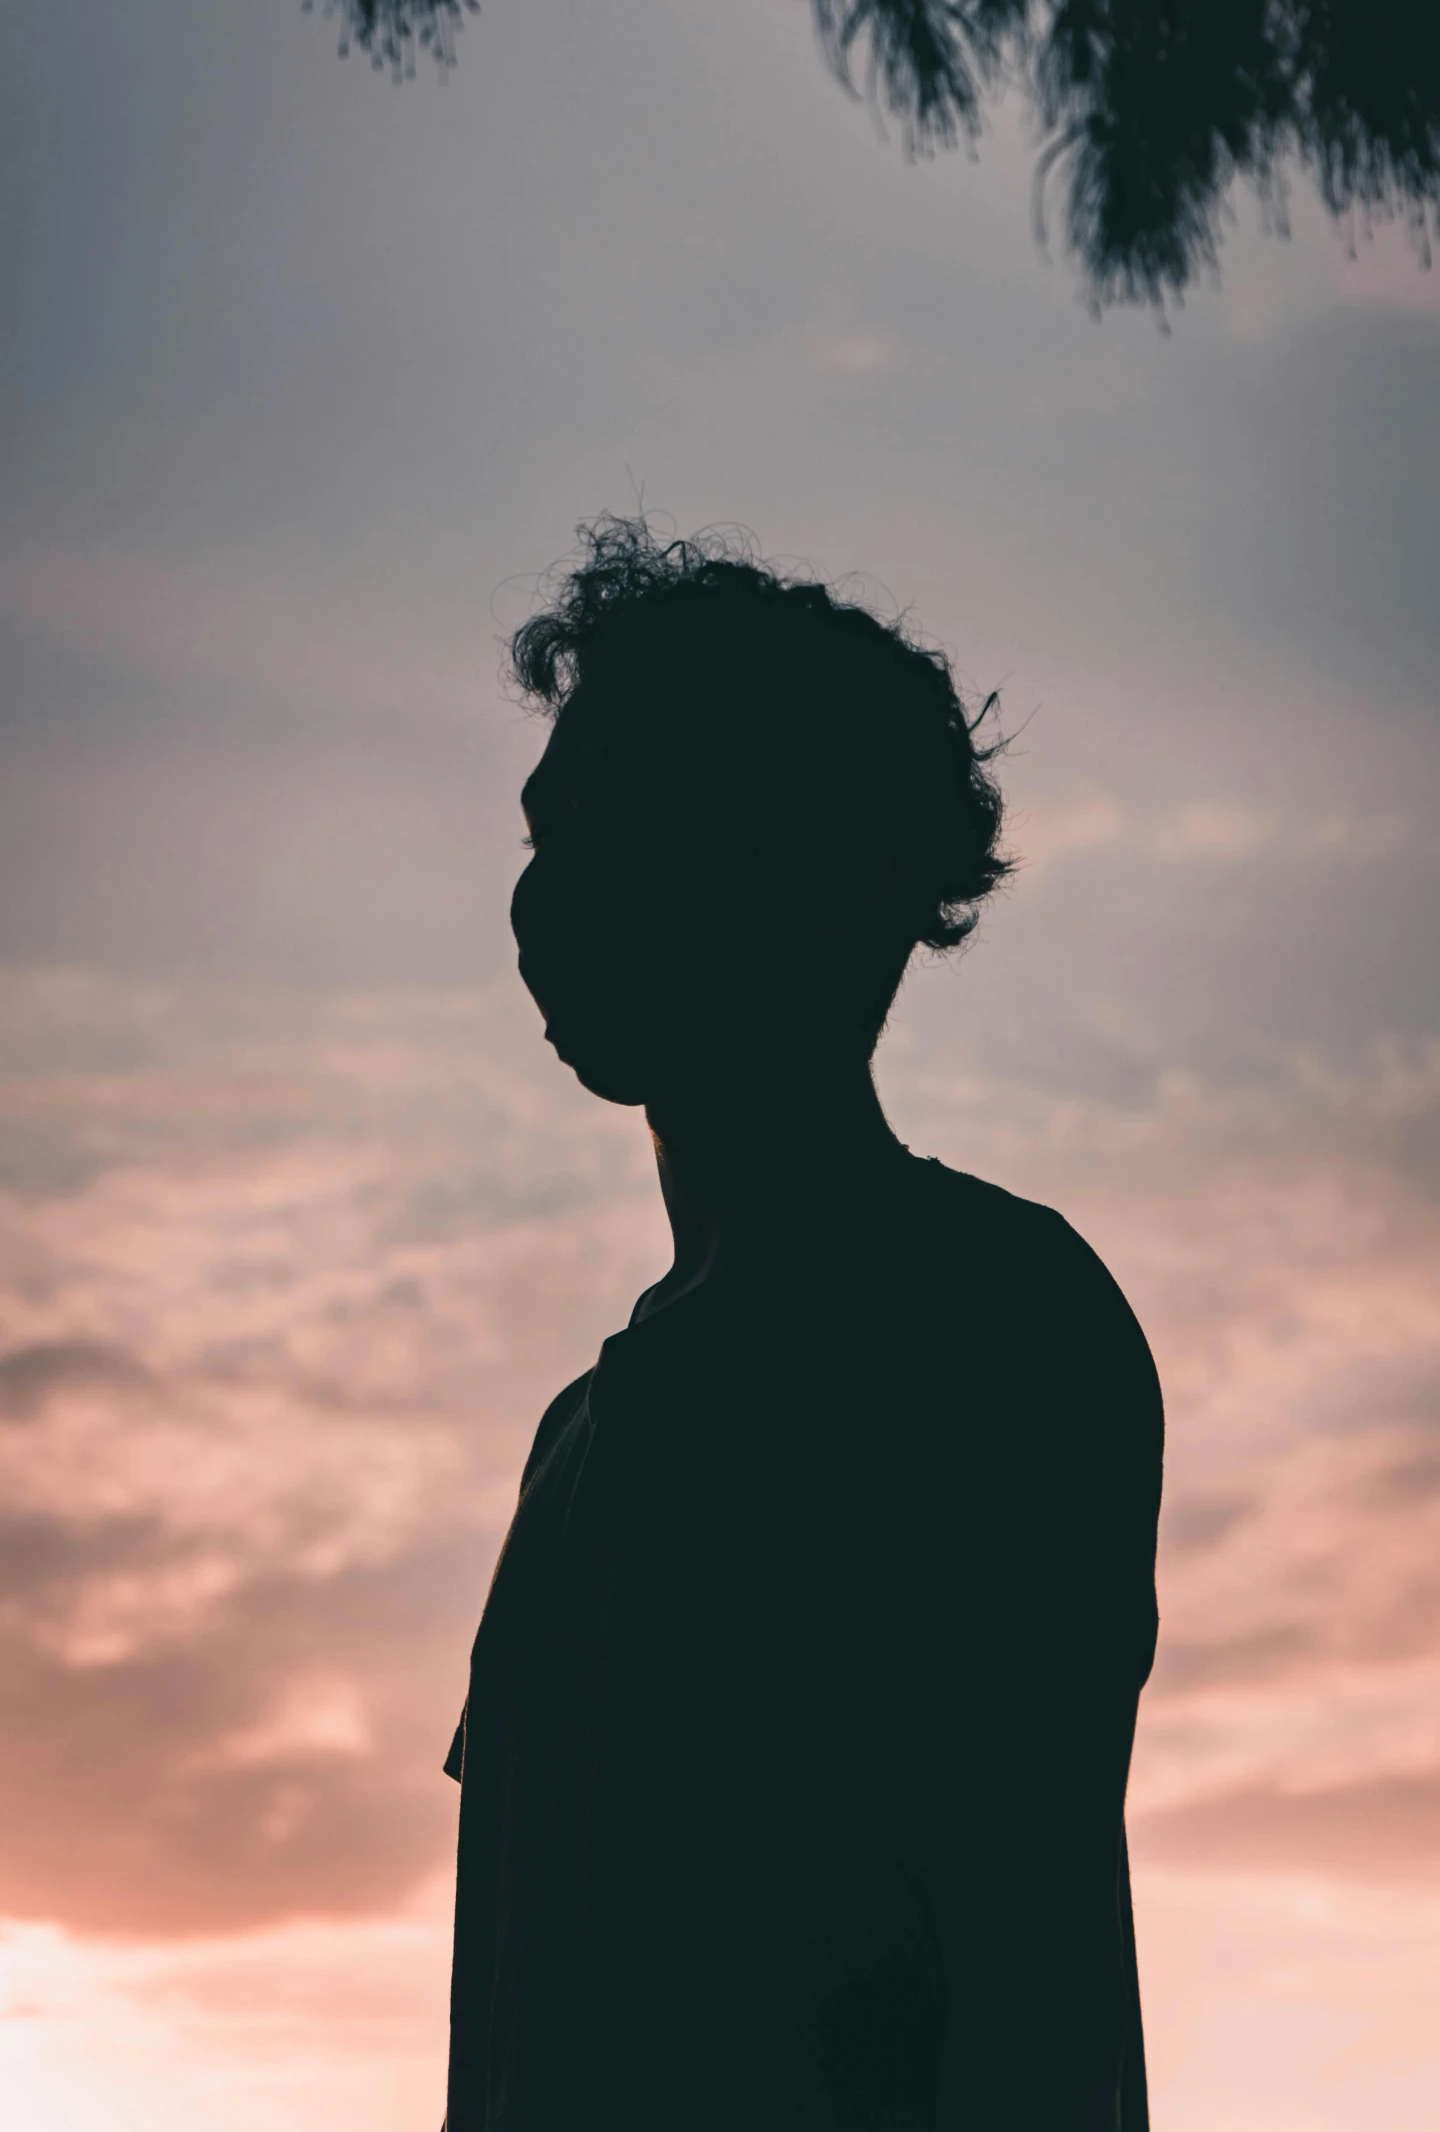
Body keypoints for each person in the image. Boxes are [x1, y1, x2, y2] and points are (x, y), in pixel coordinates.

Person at [443, 518, 1163, 2131]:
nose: (548, 899)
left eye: (626, 823)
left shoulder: (976, 1312)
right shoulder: (581, 1434)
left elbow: (1020, 1963)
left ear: (820, 871)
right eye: (545, 835)